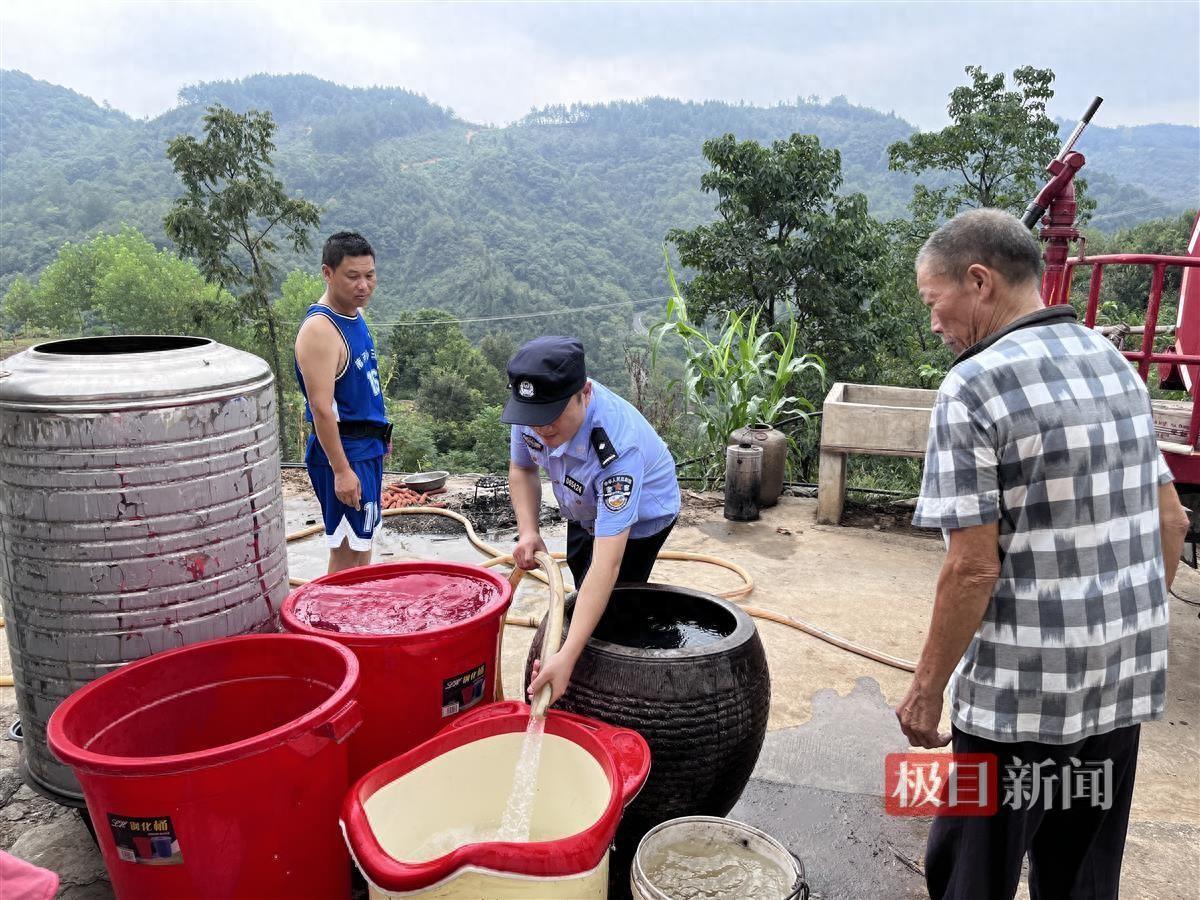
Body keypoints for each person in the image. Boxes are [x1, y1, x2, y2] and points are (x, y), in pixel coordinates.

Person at [897, 208, 1190, 900]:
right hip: (1119, 688)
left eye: (934, 303)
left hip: (1014, 706)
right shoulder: (1112, 361)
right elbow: (1170, 521)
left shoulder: (973, 386)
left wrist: (927, 690)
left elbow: (971, 567)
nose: (934, 324)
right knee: (1078, 878)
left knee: (970, 872)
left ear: (979, 281)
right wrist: (1114, 628)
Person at [504, 336, 681, 705]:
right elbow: (522, 468)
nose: (541, 429)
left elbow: (608, 560)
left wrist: (566, 655)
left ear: (583, 393)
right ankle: (581, 660)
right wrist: (528, 531)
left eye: (552, 417)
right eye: (534, 419)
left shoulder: (616, 448)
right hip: (581, 508)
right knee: (582, 582)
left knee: (614, 602)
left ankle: (617, 691)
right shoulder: (532, 413)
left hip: (644, 519)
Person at [294, 231, 392, 574]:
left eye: (370, 275)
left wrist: (381, 436)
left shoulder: (355, 316)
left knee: (363, 545)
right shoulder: (321, 330)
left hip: (366, 449)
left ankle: (356, 622)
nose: (363, 285)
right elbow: (322, 408)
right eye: (353, 276)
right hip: (343, 452)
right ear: (327, 273)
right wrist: (341, 471)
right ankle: (332, 626)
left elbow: (363, 386)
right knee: (347, 553)